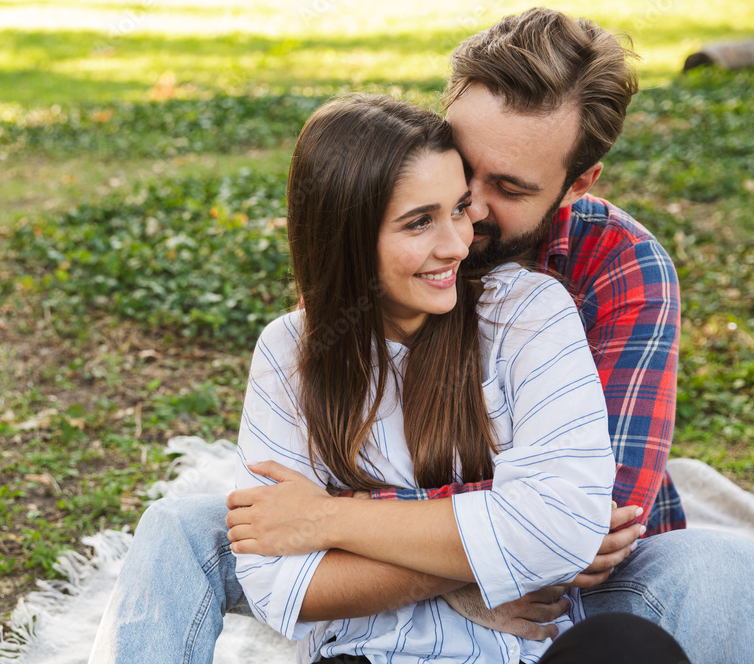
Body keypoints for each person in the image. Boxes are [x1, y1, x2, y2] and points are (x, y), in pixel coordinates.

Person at [90, 8, 754, 664]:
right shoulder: (376, 263)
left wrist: (336, 519)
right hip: (393, 577)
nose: (470, 214)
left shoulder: (615, 272)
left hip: (570, 598)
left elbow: (586, 526)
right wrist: (478, 542)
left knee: (718, 566)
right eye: (461, 167)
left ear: (576, 184)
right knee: (180, 528)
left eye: (508, 186)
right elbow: (330, 455)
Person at [223, 91, 687, 663]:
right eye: (420, 222)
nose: (460, 243)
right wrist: (492, 548)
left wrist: (329, 518)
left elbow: (569, 529)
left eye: (459, 208)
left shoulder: (528, 309)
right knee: (177, 530)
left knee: (629, 647)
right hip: (374, 652)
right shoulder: (290, 350)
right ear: (344, 236)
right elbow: (275, 586)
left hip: (529, 649)